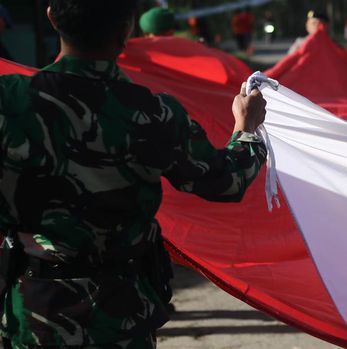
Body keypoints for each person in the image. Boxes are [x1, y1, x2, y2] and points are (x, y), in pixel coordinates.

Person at [0, 0, 267, 348]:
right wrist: (246, 128)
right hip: (122, 313)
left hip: (35, 312)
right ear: (127, 26)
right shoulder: (154, 113)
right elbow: (225, 182)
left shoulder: (10, 102)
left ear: (51, 18)